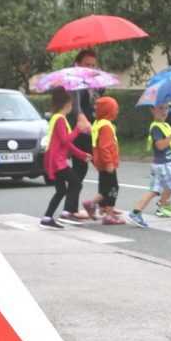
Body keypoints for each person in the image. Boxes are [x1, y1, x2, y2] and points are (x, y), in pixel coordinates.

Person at [41, 88, 91, 229]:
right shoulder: (60, 120)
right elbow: (65, 140)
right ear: (67, 104)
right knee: (76, 183)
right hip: (58, 161)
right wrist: (78, 130)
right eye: (71, 104)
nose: (71, 107)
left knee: (61, 190)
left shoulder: (56, 118)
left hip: (55, 159)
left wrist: (82, 154)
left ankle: (47, 218)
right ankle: (66, 212)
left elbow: (66, 144)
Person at [64, 49, 100, 221]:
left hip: (90, 129)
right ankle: (104, 206)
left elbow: (95, 102)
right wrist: (80, 116)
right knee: (103, 166)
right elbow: (75, 104)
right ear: (77, 64)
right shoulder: (74, 81)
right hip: (81, 131)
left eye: (93, 65)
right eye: (87, 64)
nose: (90, 68)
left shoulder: (89, 81)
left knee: (80, 170)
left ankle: (69, 209)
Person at [83, 96, 125, 225]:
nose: (117, 111)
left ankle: (102, 208)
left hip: (100, 162)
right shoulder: (106, 126)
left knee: (104, 187)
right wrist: (109, 163)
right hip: (107, 163)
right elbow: (104, 146)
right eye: (115, 109)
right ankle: (105, 212)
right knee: (112, 188)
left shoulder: (98, 123)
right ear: (108, 111)